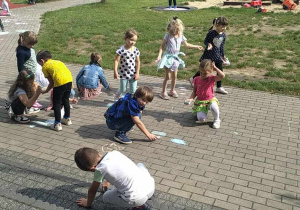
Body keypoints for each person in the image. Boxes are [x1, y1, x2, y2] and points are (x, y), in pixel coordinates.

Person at [75, 148, 154, 210]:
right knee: (140, 165)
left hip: (138, 198)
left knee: (105, 197)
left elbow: (92, 191)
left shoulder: (99, 169)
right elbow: (117, 169)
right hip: (150, 186)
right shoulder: (114, 153)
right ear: (98, 153)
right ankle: (149, 195)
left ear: (91, 168)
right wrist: (107, 180)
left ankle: (138, 207)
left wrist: (87, 203)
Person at [156, 17, 203, 100]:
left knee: (175, 76)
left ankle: (172, 90)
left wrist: (196, 46)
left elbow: (186, 45)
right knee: (168, 77)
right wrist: (159, 56)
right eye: (174, 30)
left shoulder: (181, 35)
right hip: (168, 58)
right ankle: (163, 92)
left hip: (175, 58)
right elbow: (161, 47)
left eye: (178, 30)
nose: (176, 32)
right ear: (171, 28)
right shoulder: (167, 36)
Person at [190, 17, 229, 94]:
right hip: (209, 55)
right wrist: (209, 44)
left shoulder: (223, 35)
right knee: (205, 69)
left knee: (220, 70)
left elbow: (221, 46)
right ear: (217, 25)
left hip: (218, 56)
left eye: (225, 26)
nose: (224, 28)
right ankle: (193, 78)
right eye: (222, 26)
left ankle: (219, 87)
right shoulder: (211, 33)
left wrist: (223, 56)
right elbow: (205, 41)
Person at [36, 50, 73, 131]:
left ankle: (57, 124)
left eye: (40, 64)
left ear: (42, 61)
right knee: (66, 100)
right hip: (69, 81)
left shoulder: (45, 66)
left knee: (56, 103)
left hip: (59, 84)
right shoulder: (58, 62)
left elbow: (51, 83)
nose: (41, 66)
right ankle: (67, 119)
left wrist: (45, 91)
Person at [185, 59, 225, 129]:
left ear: (210, 71)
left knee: (214, 107)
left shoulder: (211, 79)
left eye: (205, 73)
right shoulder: (196, 79)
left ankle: (217, 119)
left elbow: (222, 76)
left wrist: (215, 68)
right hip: (200, 101)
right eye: (201, 72)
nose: (202, 75)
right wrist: (191, 98)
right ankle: (203, 111)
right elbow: (194, 91)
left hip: (210, 100)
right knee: (201, 119)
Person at [16, 31, 49, 110]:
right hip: (27, 75)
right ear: (24, 41)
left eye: (33, 44)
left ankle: (33, 101)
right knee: (30, 89)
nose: (32, 46)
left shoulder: (28, 47)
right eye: (30, 44)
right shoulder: (21, 52)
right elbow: (20, 67)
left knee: (33, 87)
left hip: (32, 73)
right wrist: (24, 76)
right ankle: (31, 103)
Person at [114, 28, 140, 100]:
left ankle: (131, 102)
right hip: (123, 74)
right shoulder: (121, 50)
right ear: (126, 38)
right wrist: (115, 72)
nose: (133, 42)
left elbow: (138, 61)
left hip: (133, 74)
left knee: (133, 90)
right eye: (131, 40)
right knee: (123, 89)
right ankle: (117, 95)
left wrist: (137, 73)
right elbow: (116, 61)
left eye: (135, 41)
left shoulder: (136, 50)